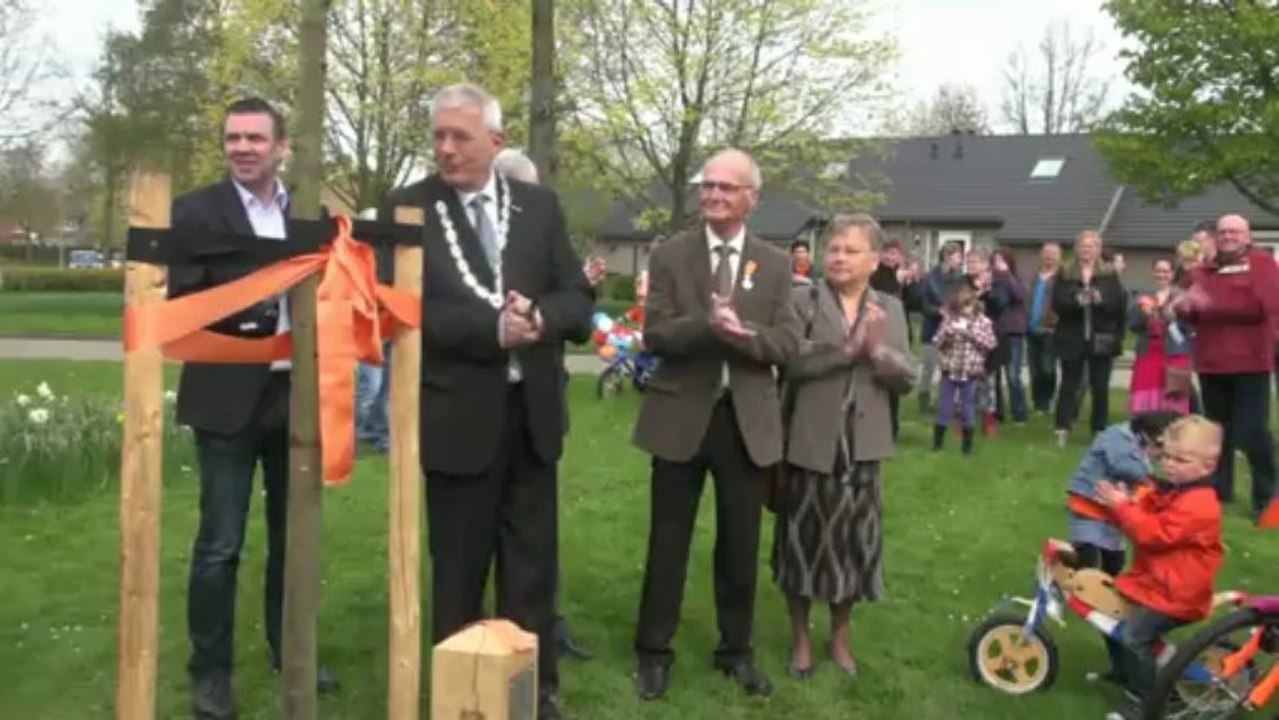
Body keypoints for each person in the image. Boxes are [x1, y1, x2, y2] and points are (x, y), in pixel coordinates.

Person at [379, 83, 592, 719]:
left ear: (495, 142)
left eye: (460, 137)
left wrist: (541, 319)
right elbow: (402, 312)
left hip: (532, 421)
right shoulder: (407, 210)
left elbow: (578, 300)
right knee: (460, 573)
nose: (445, 149)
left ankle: (530, 694)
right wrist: (489, 331)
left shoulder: (537, 207)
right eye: (439, 136)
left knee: (531, 571)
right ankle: (460, 697)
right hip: (456, 419)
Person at [168, 97, 338, 720]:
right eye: (233, 138)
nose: (242, 148)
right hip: (225, 395)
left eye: (255, 139)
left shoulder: (309, 213)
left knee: (294, 539)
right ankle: (209, 676)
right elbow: (183, 298)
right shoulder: (194, 212)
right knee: (220, 543)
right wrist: (258, 298)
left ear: (281, 146)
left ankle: (289, 650)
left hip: (294, 397)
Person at [631, 148, 800, 701]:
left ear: (751, 197)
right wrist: (709, 326)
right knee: (667, 542)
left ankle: (736, 652)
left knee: (739, 546)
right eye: (708, 186)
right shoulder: (671, 255)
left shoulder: (775, 265)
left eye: (727, 188)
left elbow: (788, 343)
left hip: (744, 422)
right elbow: (655, 333)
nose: (714, 195)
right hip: (680, 416)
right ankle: (654, 653)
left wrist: (743, 336)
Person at [772, 214, 916, 680]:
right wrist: (846, 352)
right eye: (832, 248)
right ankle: (798, 639)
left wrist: (877, 354)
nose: (837, 257)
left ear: (874, 260)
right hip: (810, 445)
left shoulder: (890, 309)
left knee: (854, 548)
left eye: (850, 250)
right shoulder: (801, 300)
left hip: (864, 448)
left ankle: (839, 636)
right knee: (801, 545)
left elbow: (908, 378)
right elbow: (791, 365)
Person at [491, 146, 593, 661]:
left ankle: (540, 633)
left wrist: (542, 316)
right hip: (475, 411)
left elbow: (578, 309)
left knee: (535, 538)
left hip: (538, 406)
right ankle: (482, 646)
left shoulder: (546, 232)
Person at [1095, 415, 1225, 720]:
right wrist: (1125, 505)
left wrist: (1123, 508)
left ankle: (1143, 700)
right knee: (1107, 615)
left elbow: (1154, 535)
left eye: (1181, 459)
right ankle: (1124, 671)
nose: (1170, 464)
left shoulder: (1200, 504)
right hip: (1154, 584)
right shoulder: (1173, 490)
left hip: (1176, 595)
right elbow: (1142, 516)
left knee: (1133, 637)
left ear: (1208, 467)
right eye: (1166, 455)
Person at [1171, 214, 1279, 518]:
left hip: (1250, 361)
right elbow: (1195, 312)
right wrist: (1185, 307)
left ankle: (1266, 496)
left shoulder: (1262, 264)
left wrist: (1210, 304)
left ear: (1247, 235)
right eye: (1223, 232)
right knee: (1217, 432)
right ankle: (1219, 491)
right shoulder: (1205, 269)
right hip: (1211, 362)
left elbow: (1261, 306)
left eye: (1235, 231)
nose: (1229, 236)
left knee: (1252, 431)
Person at [1063, 410, 1181, 686]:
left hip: (1114, 524)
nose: (1163, 455)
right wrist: (1155, 480)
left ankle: (1125, 668)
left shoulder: (1142, 446)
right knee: (1091, 585)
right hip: (1089, 516)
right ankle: (1125, 668)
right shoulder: (1117, 435)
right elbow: (1122, 465)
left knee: (1112, 602)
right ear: (1153, 433)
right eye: (1163, 446)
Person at [1052, 230, 1126, 447]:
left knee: (1100, 385)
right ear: (1076, 249)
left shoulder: (1109, 273)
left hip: (1101, 336)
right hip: (1071, 335)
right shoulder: (1065, 272)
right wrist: (1077, 300)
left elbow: (1117, 306)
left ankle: (1099, 429)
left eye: (1091, 246)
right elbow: (1057, 303)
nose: (1087, 250)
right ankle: (1063, 427)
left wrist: (1099, 299)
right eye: (1083, 246)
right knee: (1069, 384)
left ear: (1098, 249)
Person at [930, 278, 997, 454]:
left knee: (967, 407)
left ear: (974, 305)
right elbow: (937, 341)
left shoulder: (983, 322)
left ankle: (967, 446)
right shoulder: (950, 320)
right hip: (949, 369)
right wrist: (947, 335)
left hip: (970, 371)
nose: (964, 311)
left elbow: (990, 343)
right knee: (945, 407)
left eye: (967, 306)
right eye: (961, 307)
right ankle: (937, 443)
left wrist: (971, 334)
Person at [1127, 259, 1193, 415]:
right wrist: (1144, 315)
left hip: (1175, 354)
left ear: (1172, 274)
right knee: (1145, 391)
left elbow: (1191, 328)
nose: (1161, 275)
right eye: (1158, 271)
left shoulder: (1183, 297)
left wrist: (1173, 318)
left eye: (1165, 271)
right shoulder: (1144, 297)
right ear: (1152, 273)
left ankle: (1174, 429)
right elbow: (1133, 326)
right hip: (1148, 352)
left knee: (1174, 394)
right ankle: (1145, 427)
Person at [917, 242, 966, 412]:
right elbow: (923, 305)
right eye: (958, 257)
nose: (961, 261)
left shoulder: (959, 279)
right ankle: (923, 401)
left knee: (947, 369)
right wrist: (939, 312)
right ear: (947, 257)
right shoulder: (929, 278)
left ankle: (942, 402)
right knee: (928, 368)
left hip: (951, 331)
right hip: (931, 330)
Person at [991, 248, 1028, 423]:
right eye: (995, 260)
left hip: (1013, 332)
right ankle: (997, 411)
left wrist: (1006, 274)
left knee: (1013, 374)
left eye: (1001, 260)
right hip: (994, 331)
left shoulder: (1014, 279)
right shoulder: (991, 281)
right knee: (994, 375)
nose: (997, 264)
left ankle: (1019, 412)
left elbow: (1019, 296)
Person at [1026, 242, 1062, 414]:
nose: (1049, 256)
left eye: (1053, 254)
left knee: (1048, 368)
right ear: (1042, 255)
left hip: (1050, 330)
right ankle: (1037, 403)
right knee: (1035, 369)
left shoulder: (1061, 278)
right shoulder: (1034, 277)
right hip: (1031, 329)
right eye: (1047, 253)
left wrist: (1055, 323)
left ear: (1059, 257)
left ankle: (1047, 400)